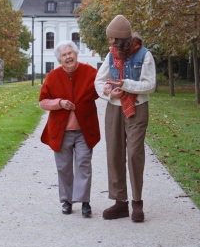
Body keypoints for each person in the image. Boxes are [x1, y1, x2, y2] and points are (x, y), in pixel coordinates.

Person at [95, 15, 156, 222]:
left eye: (113, 39)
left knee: (134, 154)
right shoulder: (111, 55)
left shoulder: (144, 55)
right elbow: (99, 81)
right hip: (114, 108)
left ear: (123, 40)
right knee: (114, 153)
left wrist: (126, 85)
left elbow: (150, 85)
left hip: (137, 108)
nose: (110, 43)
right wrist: (110, 93)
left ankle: (137, 202)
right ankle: (120, 202)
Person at [39, 40, 100, 217]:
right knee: (63, 167)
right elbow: (42, 102)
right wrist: (59, 103)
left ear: (76, 54)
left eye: (70, 53)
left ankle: (85, 202)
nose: (68, 57)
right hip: (61, 131)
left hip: (84, 129)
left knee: (83, 164)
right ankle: (66, 200)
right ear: (60, 60)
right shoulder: (53, 76)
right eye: (64, 55)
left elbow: (102, 89)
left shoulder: (90, 72)